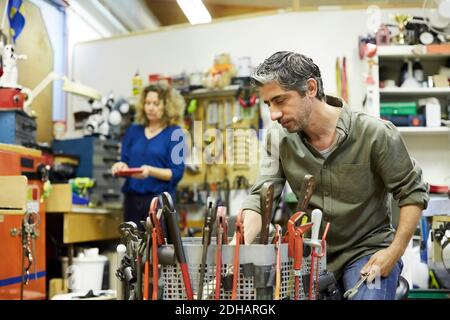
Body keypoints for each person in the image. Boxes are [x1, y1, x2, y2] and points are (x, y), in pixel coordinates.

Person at [239, 51, 429, 300]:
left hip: (366, 250)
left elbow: (412, 193)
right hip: (312, 254)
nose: (273, 114)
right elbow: (262, 197)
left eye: (280, 100)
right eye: (268, 104)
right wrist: (237, 247)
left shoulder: (374, 134)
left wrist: (394, 252)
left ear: (310, 87)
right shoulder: (278, 140)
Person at [111, 83, 186, 229]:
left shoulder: (175, 133)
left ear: (167, 106)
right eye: (147, 103)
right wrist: (120, 166)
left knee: (158, 250)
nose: (150, 107)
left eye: (156, 103)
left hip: (158, 204)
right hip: (132, 202)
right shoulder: (133, 130)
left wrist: (150, 171)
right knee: (132, 249)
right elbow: (125, 161)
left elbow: (176, 172)